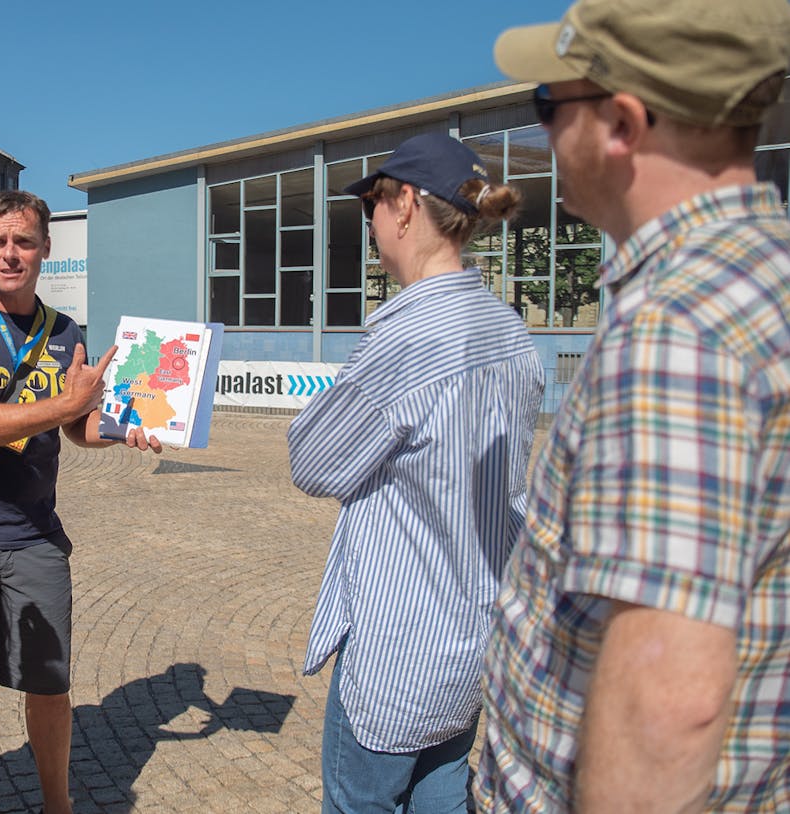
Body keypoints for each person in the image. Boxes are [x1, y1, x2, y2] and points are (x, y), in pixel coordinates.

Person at [478, 1, 790, 811]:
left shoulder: (678, 331)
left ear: (622, 122)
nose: (545, 135)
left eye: (549, 106)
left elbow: (667, 706)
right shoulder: (764, 278)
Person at [287, 133, 543, 813]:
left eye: (372, 204)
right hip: (471, 637)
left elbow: (311, 461)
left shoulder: (408, 338)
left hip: (399, 646)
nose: (369, 223)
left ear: (403, 205)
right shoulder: (509, 330)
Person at [0, 189, 161, 814]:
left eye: (24, 242)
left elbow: (77, 425)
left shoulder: (64, 330)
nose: (11, 254)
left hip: (33, 538)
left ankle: (58, 806)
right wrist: (68, 406)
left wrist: (125, 426)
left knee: (49, 686)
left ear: (45, 249)